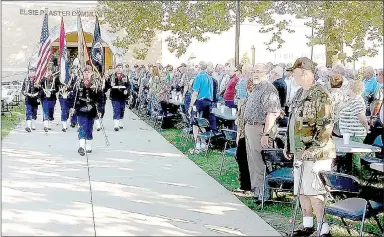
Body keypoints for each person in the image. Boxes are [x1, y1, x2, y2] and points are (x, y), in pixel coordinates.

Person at [284, 57, 335, 237]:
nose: (293, 76)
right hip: (299, 152)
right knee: (302, 191)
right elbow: (292, 122)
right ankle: (308, 226)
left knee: (315, 192)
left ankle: (324, 229)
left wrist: (312, 149)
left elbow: (326, 126)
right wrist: (288, 145)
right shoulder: (299, 93)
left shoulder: (321, 94)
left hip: (317, 155)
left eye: (295, 73)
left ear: (305, 73)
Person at [243, 63, 281, 201]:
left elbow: (271, 113)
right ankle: (256, 191)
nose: (255, 74)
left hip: (260, 129)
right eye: (254, 71)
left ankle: (264, 193)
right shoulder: (256, 88)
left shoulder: (268, 89)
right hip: (250, 127)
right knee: (252, 161)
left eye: (258, 71)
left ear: (266, 73)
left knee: (260, 162)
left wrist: (266, 134)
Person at [72, 65, 101, 156]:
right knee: (82, 127)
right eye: (85, 72)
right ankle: (81, 146)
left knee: (89, 128)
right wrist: (72, 107)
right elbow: (74, 96)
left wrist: (100, 109)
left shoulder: (95, 83)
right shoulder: (78, 83)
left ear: (91, 73)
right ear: (82, 74)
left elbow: (101, 97)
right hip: (81, 109)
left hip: (92, 110)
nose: (86, 74)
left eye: (88, 72)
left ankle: (88, 144)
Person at [233, 78, 254, 197]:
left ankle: (247, 187)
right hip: (242, 134)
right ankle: (243, 185)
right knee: (240, 158)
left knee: (245, 159)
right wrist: (238, 134)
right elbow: (240, 120)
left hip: (248, 134)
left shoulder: (250, 102)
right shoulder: (245, 102)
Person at [188, 61, 214, 152]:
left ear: (199, 67)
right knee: (203, 123)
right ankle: (204, 143)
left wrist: (191, 106)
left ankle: (197, 143)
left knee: (195, 123)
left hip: (199, 102)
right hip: (208, 103)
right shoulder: (210, 78)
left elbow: (195, 93)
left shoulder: (198, 77)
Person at [105, 63, 131, 131]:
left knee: (122, 110)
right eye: (118, 67)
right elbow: (107, 86)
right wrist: (108, 83)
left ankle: (120, 121)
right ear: (116, 68)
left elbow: (128, 85)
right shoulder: (112, 76)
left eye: (120, 67)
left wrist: (127, 90)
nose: (119, 68)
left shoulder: (125, 76)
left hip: (122, 96)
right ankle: (116, 125)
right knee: (116, 109)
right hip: (115, 96)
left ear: (122, 69)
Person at [39, 62, 62, 132]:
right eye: (48, 71)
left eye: (50, 71)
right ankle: (46, 125)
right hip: (44, 98)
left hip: (52, 98)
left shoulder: (55, 78)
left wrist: (53, 91)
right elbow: (40, 87)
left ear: (52, 71)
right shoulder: (43, 78)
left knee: (51, 111)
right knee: (45, 110)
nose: (49, 72)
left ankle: (50, 123)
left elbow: (58, 87)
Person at [365, 68, 383, 144]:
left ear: (382, 76)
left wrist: (372, 117)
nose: (376, 76)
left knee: (369, 137)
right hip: (380, 118)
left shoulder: (382, 88)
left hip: (380, 118)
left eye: (377, 74)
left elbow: (378, 103)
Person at [22, 67, 41, 132]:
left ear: (35, 72)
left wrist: (37, 95)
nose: (32, 73)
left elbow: (41, 90)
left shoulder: (38, 80)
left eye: (33, 71)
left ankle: (33, 125)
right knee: (28, 112)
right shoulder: (26, 80)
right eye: (31, 71)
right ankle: (28, 126)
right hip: (28, 98)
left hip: (35, 99)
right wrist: (25, 93)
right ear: (29, 72)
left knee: (34, 112)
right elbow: (23, 89)